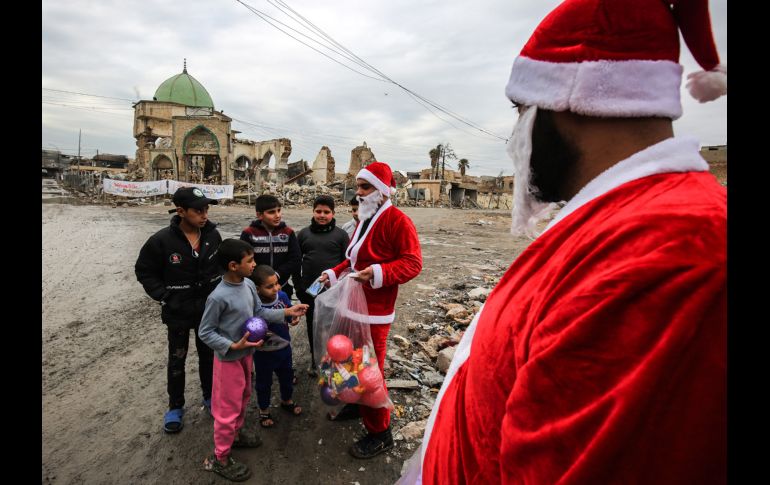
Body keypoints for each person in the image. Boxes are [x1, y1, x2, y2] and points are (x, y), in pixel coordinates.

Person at [399, 0, 727, 483]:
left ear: (570, 102)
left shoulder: (668, 251)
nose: (517, 137)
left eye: (522, 111)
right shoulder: (619, 219)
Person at [319, 161, 422, 459]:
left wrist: (377, 273)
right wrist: (334, 273)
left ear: (381, 191)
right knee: (351, 361)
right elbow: (355, 260)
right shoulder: (366, 217)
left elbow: (413, 263)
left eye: (365, 187)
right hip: (352, 305)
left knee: (370, 374)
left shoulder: (398, 221)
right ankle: (357, 403)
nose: (359, 193)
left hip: (375, 314)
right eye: (358, 187)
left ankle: (381, 433)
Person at [199, 239, 308, 482]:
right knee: (227, 409)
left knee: (244, 396)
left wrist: (287, 312)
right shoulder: (218, 297)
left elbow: (259, 312)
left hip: (246, 356)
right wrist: (231, 346)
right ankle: (220, 457)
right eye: (250, 261)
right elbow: (205, 332)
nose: (254, 264)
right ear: (233, 265)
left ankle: (236, 436)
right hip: (228, 361)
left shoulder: (248, 285)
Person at [135, 186, 222, 434]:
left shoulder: (212, 236)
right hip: (178, 314)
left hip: (207, 312)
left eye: (206, 209)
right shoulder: (161, 241)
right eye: (198, 211)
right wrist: (165, 297)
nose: (204, 215)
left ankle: (210, 397)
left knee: (209, 357)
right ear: (181, 211)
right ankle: (175, 406)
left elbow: (220, 267)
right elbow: (144, 271)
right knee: (177, 360)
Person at [296, 195, 350, 375]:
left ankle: (334, 358)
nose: (322, 215)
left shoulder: (341, 235)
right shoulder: (303, 234)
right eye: (318, 211)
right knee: (313, 324)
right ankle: (315, 359)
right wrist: (299, 287)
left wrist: (342, 287)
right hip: (309, 291)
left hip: (333, 291)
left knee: (332, 325)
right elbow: (296, 262)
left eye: (326, 212)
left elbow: (347, 263)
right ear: (313, 212)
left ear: (333, 213)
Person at [252, 264, 303, 428]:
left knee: (287, 377)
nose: (276, 288)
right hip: (263, 353)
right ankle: (264, 409)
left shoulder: (282, 296)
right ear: (257, 289)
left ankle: (286, 400)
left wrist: (293, 318)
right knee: (263, 383)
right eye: (269, 286)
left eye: (276, 283)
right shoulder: (253, 305)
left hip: (284, 348)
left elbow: (289, 315)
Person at [240, 194, 301, 300]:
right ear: (259, 215)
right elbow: (244, 261)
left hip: (282, 286)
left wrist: (277, 274)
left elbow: (295, 259)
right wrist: (261, 278)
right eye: (271, 212)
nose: (277, 215)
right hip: (256, 289)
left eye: (279, 210)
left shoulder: (288, 233)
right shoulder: (249, 234)